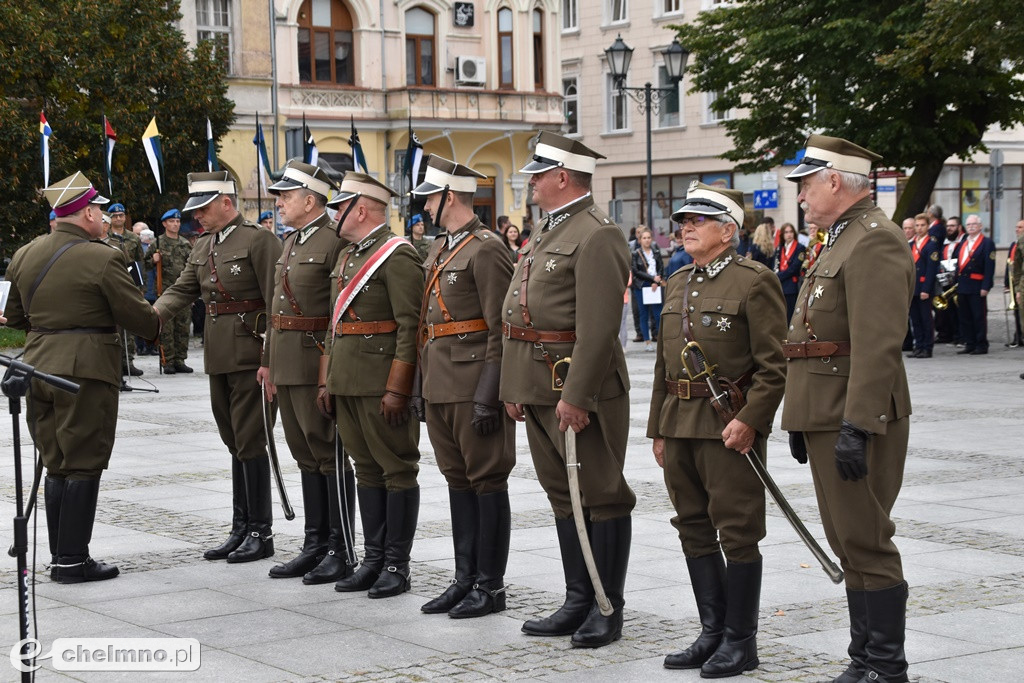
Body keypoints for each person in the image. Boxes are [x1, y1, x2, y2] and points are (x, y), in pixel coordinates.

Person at [783, 134, 914, 683]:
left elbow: (877, 342)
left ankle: (887, 667)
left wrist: (857, 425)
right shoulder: (840, 238)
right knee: (846, 540)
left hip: (854, 414)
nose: (801, 196)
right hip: (824, 411)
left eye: (806, 184)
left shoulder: (874, 240)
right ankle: (864, 660)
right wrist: (799, 413)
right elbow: (814, 337)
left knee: (866, 539)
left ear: (834, 180)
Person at [501, 131, 634, 649]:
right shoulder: (549, 229)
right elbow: (522, 316)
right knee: (563, 495)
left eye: (539, 172)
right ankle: (578, 598)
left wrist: (577, 396)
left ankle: (607, 605)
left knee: (599, 495)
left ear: (562, 176)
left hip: (578, 389)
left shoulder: (596, 234)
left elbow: (599, 328)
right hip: (537, 385)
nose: (531, 180)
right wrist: (514, 384)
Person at [648, 182, 787, 678]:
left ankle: (740, 639)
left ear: (727, 231)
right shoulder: (678, 281)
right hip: (679, 424)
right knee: (692, 528)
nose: (684, 227)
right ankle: (712, 631)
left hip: (728, 426)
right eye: (683, 221)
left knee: (738, 532)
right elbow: (667, 366)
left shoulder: (754, 281)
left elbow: (775, 367)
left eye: (697, 221)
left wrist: (751, 422)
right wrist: (658, 431)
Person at [3, 171, 161, 583]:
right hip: (85, 371)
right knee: (84, 463)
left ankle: (61, 557)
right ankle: (73, 560)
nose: (105, 218)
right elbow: (142, 321)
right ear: (87, 213)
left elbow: (17, 317)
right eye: (101, 211)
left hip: (36, 367)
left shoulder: (25, 253)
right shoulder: (103, 257)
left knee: (55, 462)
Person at [154, 171, 282, 563]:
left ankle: (261, 532)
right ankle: (240, 527)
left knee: (250, 440)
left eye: (203, 209)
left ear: (227, 202)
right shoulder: (203, 244)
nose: (196, 218)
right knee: (233, 441)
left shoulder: (259, 241)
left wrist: (270, 361)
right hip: (219, 357)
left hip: (251, 356)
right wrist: (148, 316)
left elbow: (277, 303)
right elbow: (182, 290)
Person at [410, 154, 516, 618]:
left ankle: (490, 587)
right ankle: (464, 577)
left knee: (487, 480)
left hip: (474, 383)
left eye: (429, 197)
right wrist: (417, 385)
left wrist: (489, 394)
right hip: (440, 384)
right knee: (457, 481)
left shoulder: (488, 248)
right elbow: (423, 326)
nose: (425, 205)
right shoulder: (439, 248)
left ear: (448, 197)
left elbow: (500, 327)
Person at [316, 172, 424, 598]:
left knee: (397, 469)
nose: (334, 216)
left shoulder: (396, 255)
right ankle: (374, 558)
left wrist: (398, 387)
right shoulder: (347, 257)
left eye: (339, 207)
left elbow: (409, 326)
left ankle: (397, 563)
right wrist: (327, 380)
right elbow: (334, 325)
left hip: (380, 383)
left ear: (360, 209)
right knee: (366, 470)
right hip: (348, 380)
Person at [258, 161, 354, 585]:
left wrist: (328, 372)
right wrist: (268, 361)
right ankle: (314, 543)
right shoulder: (292, 241)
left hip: (315, 357)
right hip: (286, 359)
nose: (279, 203)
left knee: (328, 455)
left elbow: (337, 311)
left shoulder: (334, 241)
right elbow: (275, 307)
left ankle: (340, 546)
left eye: (286, 196)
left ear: (311, 200)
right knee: (304, 455)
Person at [144, 209, 194, 373]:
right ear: (165, 223)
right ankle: (168, 361)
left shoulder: (185, 244)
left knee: (183, 326)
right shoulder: (157, 243)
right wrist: (153, 260)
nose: (176, 224)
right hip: (164, 291)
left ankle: (180, 359)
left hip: (184, 292)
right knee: (166, 328)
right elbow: (144, 265)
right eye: (172, 221)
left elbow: (192, 266)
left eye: (178, 221)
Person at [105, 202, 145, 377]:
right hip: (111, 286)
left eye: (121, 215)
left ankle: (128, 362)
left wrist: (139, 287)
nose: (118, 219)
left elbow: (137, 263)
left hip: (129, 285)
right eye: (115, 216)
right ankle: (114, 363)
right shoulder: (104, 238)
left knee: (128, 326)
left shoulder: (132, 238)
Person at [953, 214, 995, 355]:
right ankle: (969, 343)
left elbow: (989, 267)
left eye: (974, 224)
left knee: (978, 316)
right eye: (969, 224)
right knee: (965, 317)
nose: (971, 227)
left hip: (977, 284)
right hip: (963, 284)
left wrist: (986, 286)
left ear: (980, 226)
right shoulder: (964, 242)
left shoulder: (986, 243)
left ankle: (981, 344)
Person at [908, 213, 939, 358]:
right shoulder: (911, 244)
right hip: (913, 287)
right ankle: (918, 346)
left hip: (923, 287)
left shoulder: (931, 244)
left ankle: (927, 347)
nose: (919, 228)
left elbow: (931, 270)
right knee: (915, 319)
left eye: (922, 225)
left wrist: (926, 289)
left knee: (926, 318)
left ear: (928, 226)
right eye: (917, 225)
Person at [631, 226, 665, 351]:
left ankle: (662, 340)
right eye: (644, 238)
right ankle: (647, 341)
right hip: (642, 286)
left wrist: (658, 280)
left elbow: (661, 267)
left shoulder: (656, 252)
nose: (647, 240)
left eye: (649, 237)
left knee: (658, 314)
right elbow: (635, 271)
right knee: (643, 314)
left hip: (655, 286)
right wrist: (652, 279)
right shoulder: (635, 254)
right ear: (640, 240)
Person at [934, 216, 964, 344]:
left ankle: (962, 337)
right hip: (947, 282)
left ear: (959, 227)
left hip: (960, 282)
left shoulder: (964, 242)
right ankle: (953, 335)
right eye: (948, 226)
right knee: (949, 311)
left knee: (961, 312)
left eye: (952, 226)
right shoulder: (945, 244)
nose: (949, 229)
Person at [773, 222, 805, 322]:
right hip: (781, 285)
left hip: (791, 286)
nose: (789, 234)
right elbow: (776, 264)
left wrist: (778, 276)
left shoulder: (800, 247)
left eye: (791, 232)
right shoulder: (780, 248)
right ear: (782, 234)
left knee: (790, 315)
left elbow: (794, 268)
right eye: (786, 232)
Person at [1002, 219, 1023, 348]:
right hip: (1015, 282)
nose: (1017, 229)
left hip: (1022, 282)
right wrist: (1006, 282)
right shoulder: (1013, 245)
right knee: (1016, 311)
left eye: (1020, 227)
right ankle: (1018, 336)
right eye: (1016, 227)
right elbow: (1010, 264)